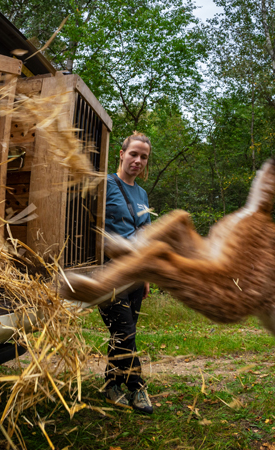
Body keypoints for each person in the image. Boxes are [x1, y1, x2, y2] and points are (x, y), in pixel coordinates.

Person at [100, 132, 153, 414]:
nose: (138, 160)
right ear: (121, 154)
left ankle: (111, 385)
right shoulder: (105, 184)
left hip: (135, 274)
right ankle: (136, 388)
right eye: (133, 154)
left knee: (121, 335)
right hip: (110, 273)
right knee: (125, 331)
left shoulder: (143, 194)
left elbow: (144, 236)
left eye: (143, 157)